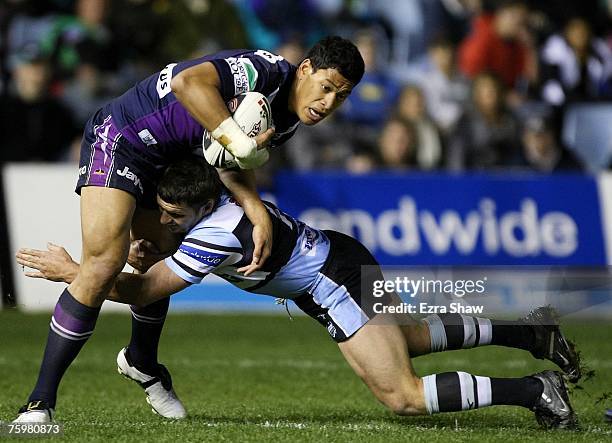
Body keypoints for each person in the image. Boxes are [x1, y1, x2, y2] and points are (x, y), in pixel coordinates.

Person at [16, 158, 581, 429]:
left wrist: (76, 272)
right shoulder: (213, 211)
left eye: (171, 217)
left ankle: (535, 392)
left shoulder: (218, 232)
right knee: (408, 337)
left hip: (332, 278)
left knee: (402, 397)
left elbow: (145, 291)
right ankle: (529, 332)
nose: (163, 224)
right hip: (336, 257)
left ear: (199, 210)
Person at [12, 36, 365, 422]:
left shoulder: (289, 118)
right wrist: (242, 147)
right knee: (103, 265)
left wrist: (256, 207)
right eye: (326, 87)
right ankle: (38, 405)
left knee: (154, 254)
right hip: (123, 138)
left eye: (341, 97)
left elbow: (227, 159)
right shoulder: (260, 72)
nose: (328, 103)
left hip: (170, 160)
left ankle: (142, 361)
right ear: (305, 69)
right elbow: (188, 83)